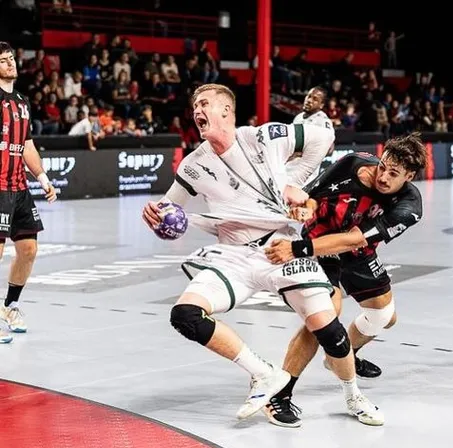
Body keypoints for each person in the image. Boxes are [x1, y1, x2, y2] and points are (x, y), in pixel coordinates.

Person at [142, 83, 384, 425]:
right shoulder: (193, 165)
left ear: (227, 111)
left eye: (205, 103)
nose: (197, 109)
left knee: (329, 332)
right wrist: (155, 215)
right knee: (185, 314)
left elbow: (320, 138)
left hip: (282, 248)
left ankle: (353, 396)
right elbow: (168, 206)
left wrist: (294, 180)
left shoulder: (263, 137)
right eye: (194, 104)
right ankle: (263, 374)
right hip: (235, 256)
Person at [263, 133, 426, 427]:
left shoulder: (409, 207)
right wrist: (304, 209)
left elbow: (355, 239)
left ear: (409, 176)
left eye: (394, 174)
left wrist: (295, 249)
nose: (383, 177)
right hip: (319, 242)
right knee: (324, 317)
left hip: (354, 248)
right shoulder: (352, 163)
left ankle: (343, 354)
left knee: (384, 315)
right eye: (383, 166)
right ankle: (279, 395)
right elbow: (314, 196)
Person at [0, 41, 57, 342]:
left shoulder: (22, 101)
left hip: (19, 186)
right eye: (3, 60)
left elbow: (27, 145)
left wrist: (43, 177)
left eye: (12, 58)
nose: (11, 63)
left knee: (29, 249)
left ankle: (11, 306)